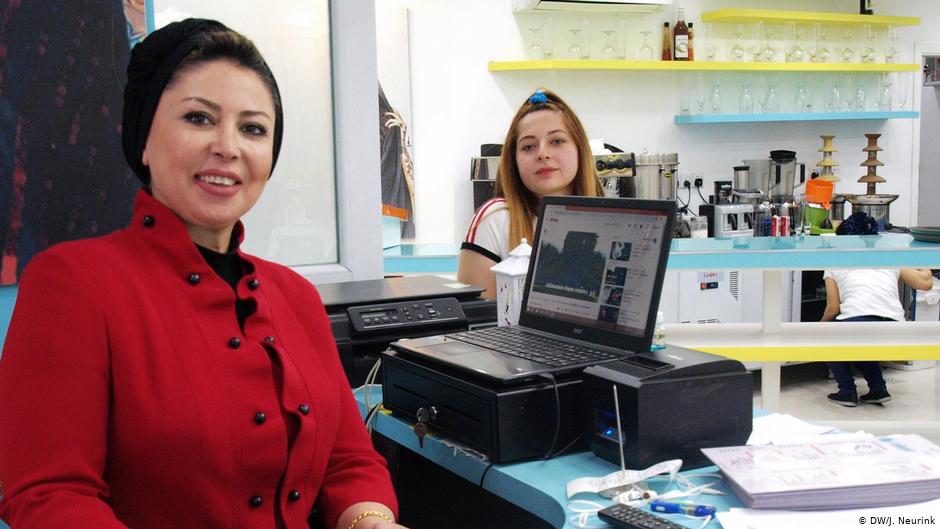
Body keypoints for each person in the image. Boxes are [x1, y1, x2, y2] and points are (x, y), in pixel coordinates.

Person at [0, 19, 405, 529]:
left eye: (253, 128)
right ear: (143, 140)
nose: (228, 147)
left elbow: (349, 461)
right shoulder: (71, 284)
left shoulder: (296, 296)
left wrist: (370, 521)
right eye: (198, 118)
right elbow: (48, 495)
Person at [457, 88, 604, 298]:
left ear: (580, 149)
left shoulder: (607, 222)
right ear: (513, 159)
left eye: (557, 141)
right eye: (528, 146)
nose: (542, 153)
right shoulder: (494, 218)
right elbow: (477, 320)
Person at [821, 213, 934, 407]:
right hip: (896, 330)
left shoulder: (835, 262)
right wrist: (920, 258)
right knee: (864, 341)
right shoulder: (887, 257)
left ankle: (847, 392)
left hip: (859, 327)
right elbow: (926, 283)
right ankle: (878, 389)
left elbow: (833, 308)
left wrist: (819, 328)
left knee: (833, 337)